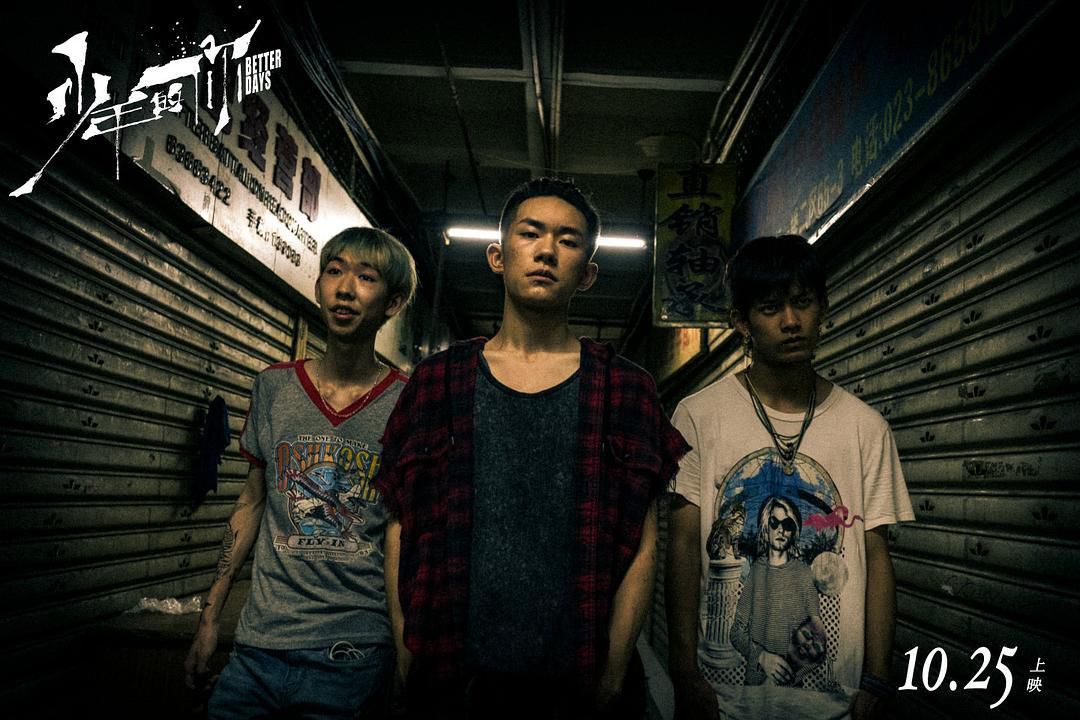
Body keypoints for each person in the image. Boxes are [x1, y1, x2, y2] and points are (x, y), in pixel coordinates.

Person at [374, 177, 689, 719]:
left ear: (587, 273)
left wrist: (614, 671)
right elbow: (402, 521)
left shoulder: (625, 388)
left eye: (568, 241)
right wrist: (406, 647)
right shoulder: (437, 381)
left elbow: (643, 541)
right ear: (497, 256)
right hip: (452, 676)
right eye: (530, 233)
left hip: (578, 679)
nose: (547, 251)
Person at [666, 234, 914, 719]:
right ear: (741, 321)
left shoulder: (866, 428)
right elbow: (682, 546)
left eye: (802, 302)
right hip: (723, 705)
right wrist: (684, 673)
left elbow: (877, 557)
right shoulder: (698, 416)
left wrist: (877, 680)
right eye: (770, 308)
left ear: (823, 307)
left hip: (836, 706)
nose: (791, 321)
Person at [183, 226, 418, 719]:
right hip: (258, 647)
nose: (345, 288)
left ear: (393, 303)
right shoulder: (274, 387)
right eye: (334, 271)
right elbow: (250, 503)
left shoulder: (408, 401)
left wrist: (402, 649)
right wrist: (209, 619)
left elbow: (400, 530)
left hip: (353, 652)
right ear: (317, 286)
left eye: (366, 277)